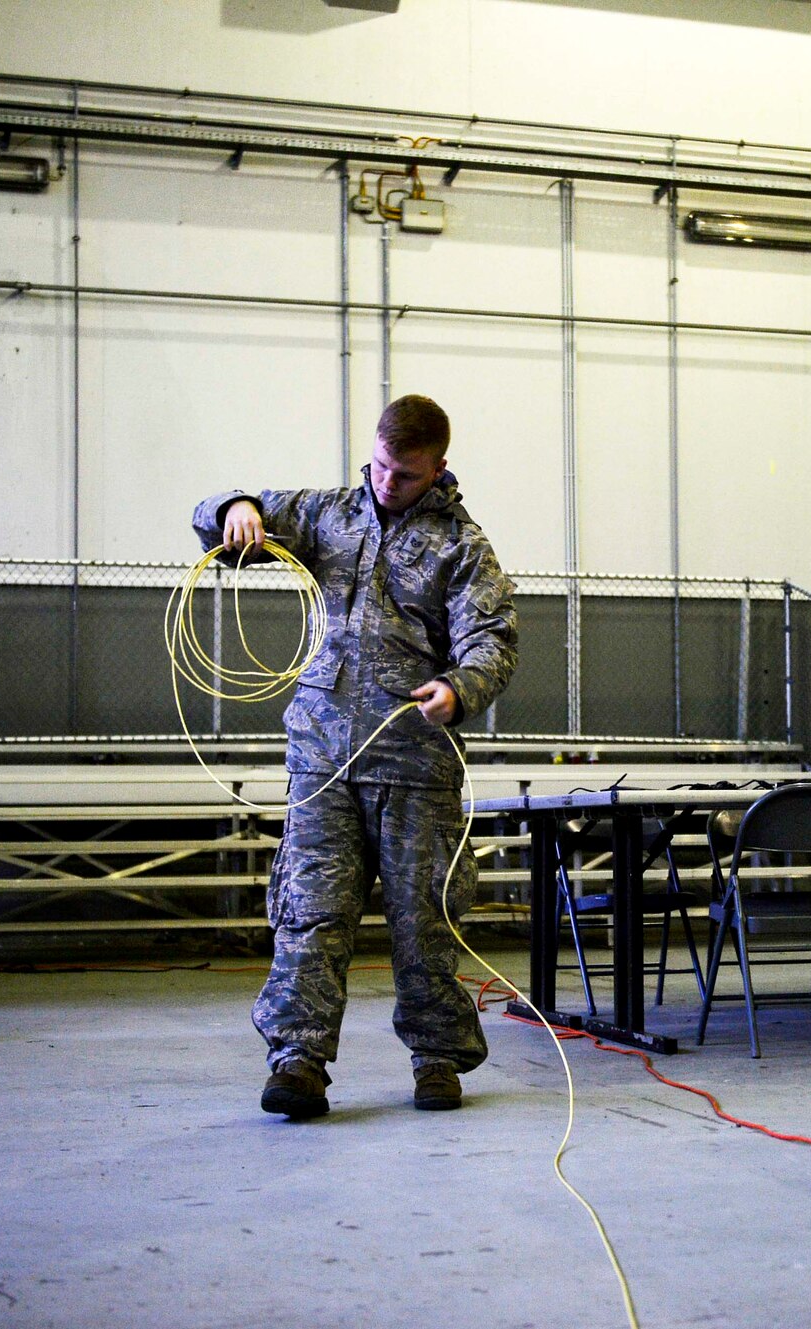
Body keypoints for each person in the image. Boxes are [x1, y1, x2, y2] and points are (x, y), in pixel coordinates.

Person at [192, 394, 518, 1120]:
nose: (384, 483)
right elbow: (215, 512)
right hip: (323, 758)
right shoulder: (330, 513)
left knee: (424, 919)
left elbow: (493, 640)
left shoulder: (463, 547)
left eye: (402, 475)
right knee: (310, 911)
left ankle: (437, 1059)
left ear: (437, 468)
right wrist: (236, 508)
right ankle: (297, 1059)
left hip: (414, 763)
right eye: (378, 465)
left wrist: (459, 688)